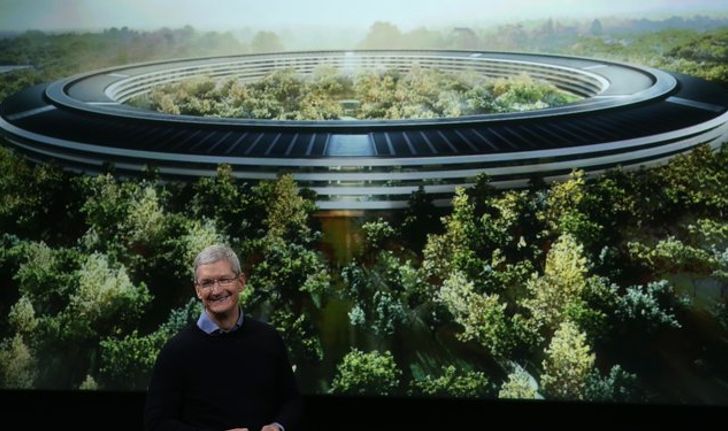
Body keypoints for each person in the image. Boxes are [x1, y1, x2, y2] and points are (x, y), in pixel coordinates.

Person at [145, 244, 302, 431]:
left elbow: (292, 401)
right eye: (207, 283)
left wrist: (278, 427)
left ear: (241, 282)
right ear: (197, 290)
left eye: (224, 280)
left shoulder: (268, 338)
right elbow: (157, 423)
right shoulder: (176, 350)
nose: (217, 290)